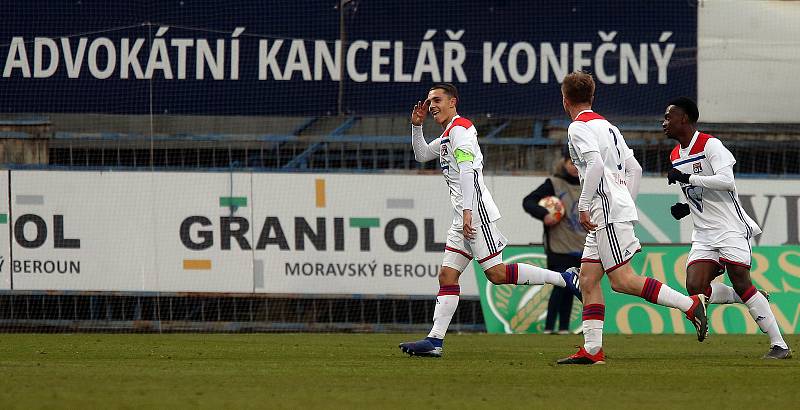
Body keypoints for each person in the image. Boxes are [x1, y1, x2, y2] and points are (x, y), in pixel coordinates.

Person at [398, 83, 582, 357]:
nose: (431, 104)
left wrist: (469, 211)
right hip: (462, 216)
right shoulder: (449, 134)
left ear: (453, 102)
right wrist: (416, 127)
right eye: (429, 100)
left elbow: (469, 172)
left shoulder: (461, 131)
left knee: (495, 274)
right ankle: (435, 341)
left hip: (474, 213)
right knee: (447, 275)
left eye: (437, 99)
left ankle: (564, 278)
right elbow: (422, 154)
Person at [556, 71, 708, 365]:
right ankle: (592, 350)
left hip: (605, 211)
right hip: (613, 209)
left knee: (622, 281)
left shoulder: (577, 128)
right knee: (588, 279)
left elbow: (596, 164)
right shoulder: (609, 127)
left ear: (565, 100)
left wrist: (585, 205)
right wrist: (626, 202)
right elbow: (634, 168)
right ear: (592, 96)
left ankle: (689, 305)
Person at [663, 97, 791, 359]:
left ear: (684, 119)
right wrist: (686, 206)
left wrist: (688, 177)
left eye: (668, 117)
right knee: (695, 286)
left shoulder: (710, 144)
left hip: (730, 228)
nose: (663, 122)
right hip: (703, 233)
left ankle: (780, 346)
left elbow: (726, 181)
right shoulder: (675, 155)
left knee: (741, 279)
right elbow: (700, 191)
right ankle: (750, 296)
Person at [522, 148, 586, 334]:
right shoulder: (554, 183)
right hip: (558, 247)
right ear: (564, 162)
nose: (574, 167)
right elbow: (529, 201)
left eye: (578, 163)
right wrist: (544, 215)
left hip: (582, 246)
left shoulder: (589, 184)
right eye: (571, 162)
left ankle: (564, 328)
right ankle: (550, 328)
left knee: (573, 288)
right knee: (561, 285)